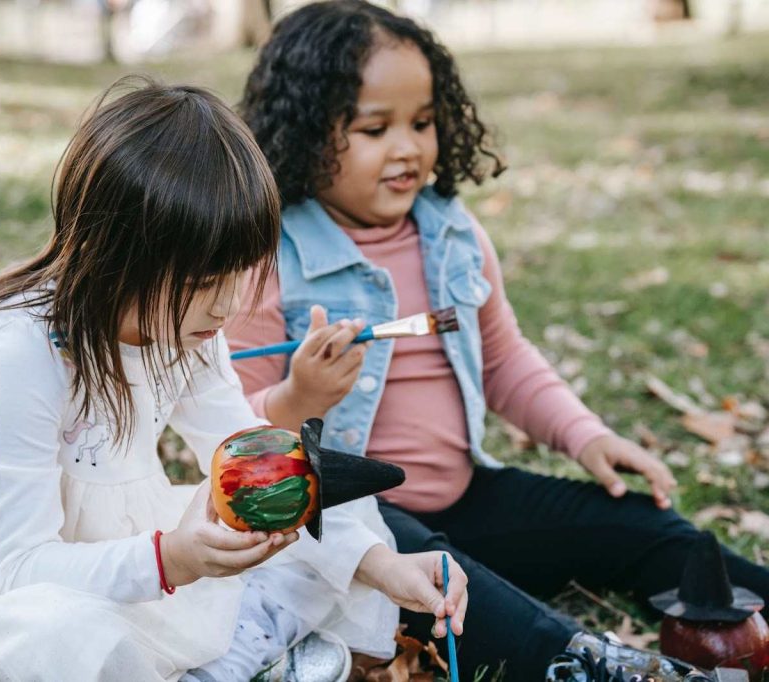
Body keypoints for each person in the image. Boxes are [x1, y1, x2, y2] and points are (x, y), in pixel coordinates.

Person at [0, 77, 468, 682]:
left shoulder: (188, 329)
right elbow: (17, 570)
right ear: (110, 258)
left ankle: (225, 658)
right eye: (198, 285)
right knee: (63, 632)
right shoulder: (10, 356)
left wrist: (383, 567)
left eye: (239, 274)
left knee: (332, 513)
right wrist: (171, 560)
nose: (223, 309)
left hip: (102, 547)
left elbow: (251, 451)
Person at [228, 3, 769, 680]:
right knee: (452, 583)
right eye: (375, 128)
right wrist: (295, 397)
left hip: (466, 497)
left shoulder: (453, 234)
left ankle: (747, 611)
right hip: (357, 529)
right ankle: (581, 663)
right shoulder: (267, 258)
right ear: (304, 132)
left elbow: (506, 357)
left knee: (640, 525)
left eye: (423, 122)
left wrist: (586, 436)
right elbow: (230, 437)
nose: (408, 147)